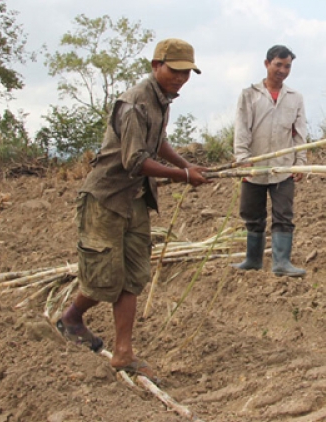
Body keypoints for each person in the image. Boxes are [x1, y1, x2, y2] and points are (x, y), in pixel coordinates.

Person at [55, 38, 211, 383]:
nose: (181, 78)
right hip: (106, 199)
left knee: (133, 276)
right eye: (175, 70)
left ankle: (123, 353)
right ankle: (70, 319)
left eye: (187, 73)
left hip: (136, 199)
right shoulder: (135, 102)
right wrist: (184, 176)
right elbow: (135, 160)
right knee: (103, 279)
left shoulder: (162, 101)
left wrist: (188, 165)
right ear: (156, 65)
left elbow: (159, 143)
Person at [232, 45, 308, 276]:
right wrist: (243, 159)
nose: (283, 70)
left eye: (287, 66)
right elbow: (242, 129)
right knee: (252, 214)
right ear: (267, 64)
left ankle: (281, 263)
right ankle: (253, 259)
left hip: (283, 167)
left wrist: (301, 161)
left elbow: (299, 133)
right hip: (254, 165)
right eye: (278, 65)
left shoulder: (295, 98)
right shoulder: (249, 94)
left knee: (283, 214)